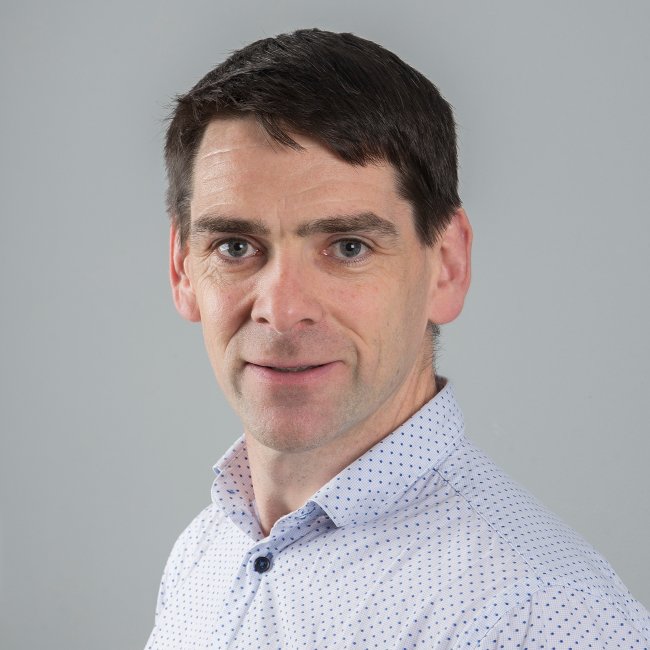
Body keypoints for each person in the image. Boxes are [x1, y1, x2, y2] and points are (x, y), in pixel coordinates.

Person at [145, 28, 650, 649]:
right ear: (182, 268)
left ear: (446, 266)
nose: (280, 310)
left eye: (348, 247)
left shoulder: (539, 614)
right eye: (236, 247)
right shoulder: (204, 552)